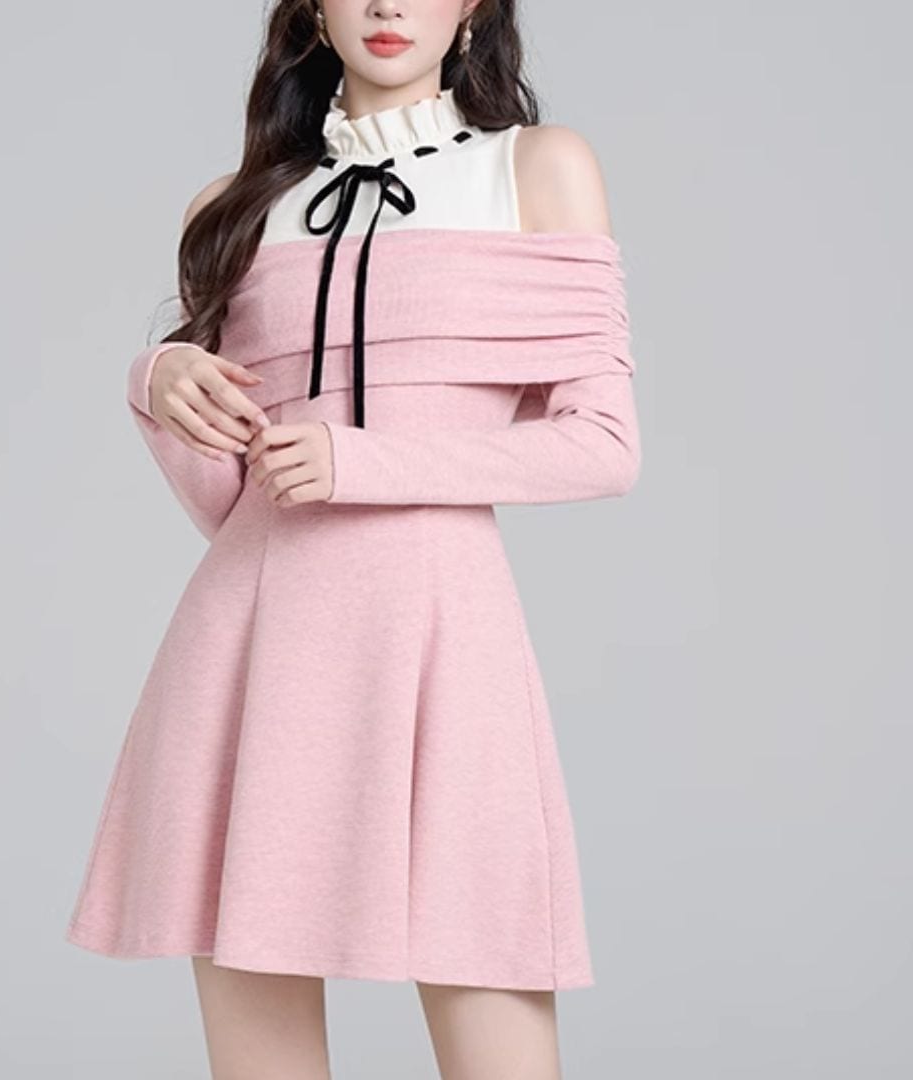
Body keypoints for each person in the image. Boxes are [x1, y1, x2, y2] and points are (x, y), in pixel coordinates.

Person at [66, 2, 641, 1077]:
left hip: (439, 642)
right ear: (310, 11)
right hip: (249, 650)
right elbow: (232, 500)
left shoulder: (535, 168)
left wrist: (363, 461)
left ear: (472, 9)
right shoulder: (233, 208)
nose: (385, 5)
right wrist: (157, 377)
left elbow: (603, 446)